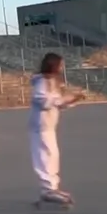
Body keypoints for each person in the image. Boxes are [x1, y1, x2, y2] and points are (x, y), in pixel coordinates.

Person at [30, 53, 84, 205]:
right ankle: (47, 189)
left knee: (53, 155)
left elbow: (57, 103)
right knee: (45, 155)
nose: (62, 67)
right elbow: (43, 101)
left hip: (49, 126)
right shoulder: (42, 82)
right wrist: (63, 99)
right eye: (60, 65)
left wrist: (71, 100)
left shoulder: (53, 82)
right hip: (41, 127)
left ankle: (52, 187)